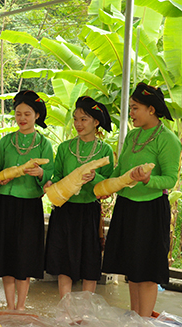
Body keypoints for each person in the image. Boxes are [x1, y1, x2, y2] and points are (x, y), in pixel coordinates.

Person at [101, 82, 181, 317]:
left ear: (151, 110)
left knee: (146, 271)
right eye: (131, 108)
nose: (131, 113)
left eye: (135, 108)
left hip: (151, 210)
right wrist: (105, 185)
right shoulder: (133, 136)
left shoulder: (167, 139)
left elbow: (169, 179)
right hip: (127, 207)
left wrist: (148, 180)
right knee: (132, 269)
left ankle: (144, 325)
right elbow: (120, 170)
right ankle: (135, 318)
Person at [0, 91, 54, 310]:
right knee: (7, 255)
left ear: (37, 116)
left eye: (27, 114)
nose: (22, 118)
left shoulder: (44, 143)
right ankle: (10, 304)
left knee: (25, 255)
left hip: (29, 204)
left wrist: (41, 174)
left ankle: (21, 305)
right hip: (4, 204)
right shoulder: (5, 141)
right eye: (18, 113)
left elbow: (50, 173)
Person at [44, 96, 115, 298]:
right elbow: (57, 175)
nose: (78, 124)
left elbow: (108, 183)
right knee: (64, 261)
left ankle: (86, 311)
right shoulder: (66, 148)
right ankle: (65, 308)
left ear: (96, 122)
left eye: (84, 119)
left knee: (89, 261)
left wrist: (95, 177)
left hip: (89, 211)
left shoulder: (104, 150)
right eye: (76, 119)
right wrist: (51, 183)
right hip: (65, 209)